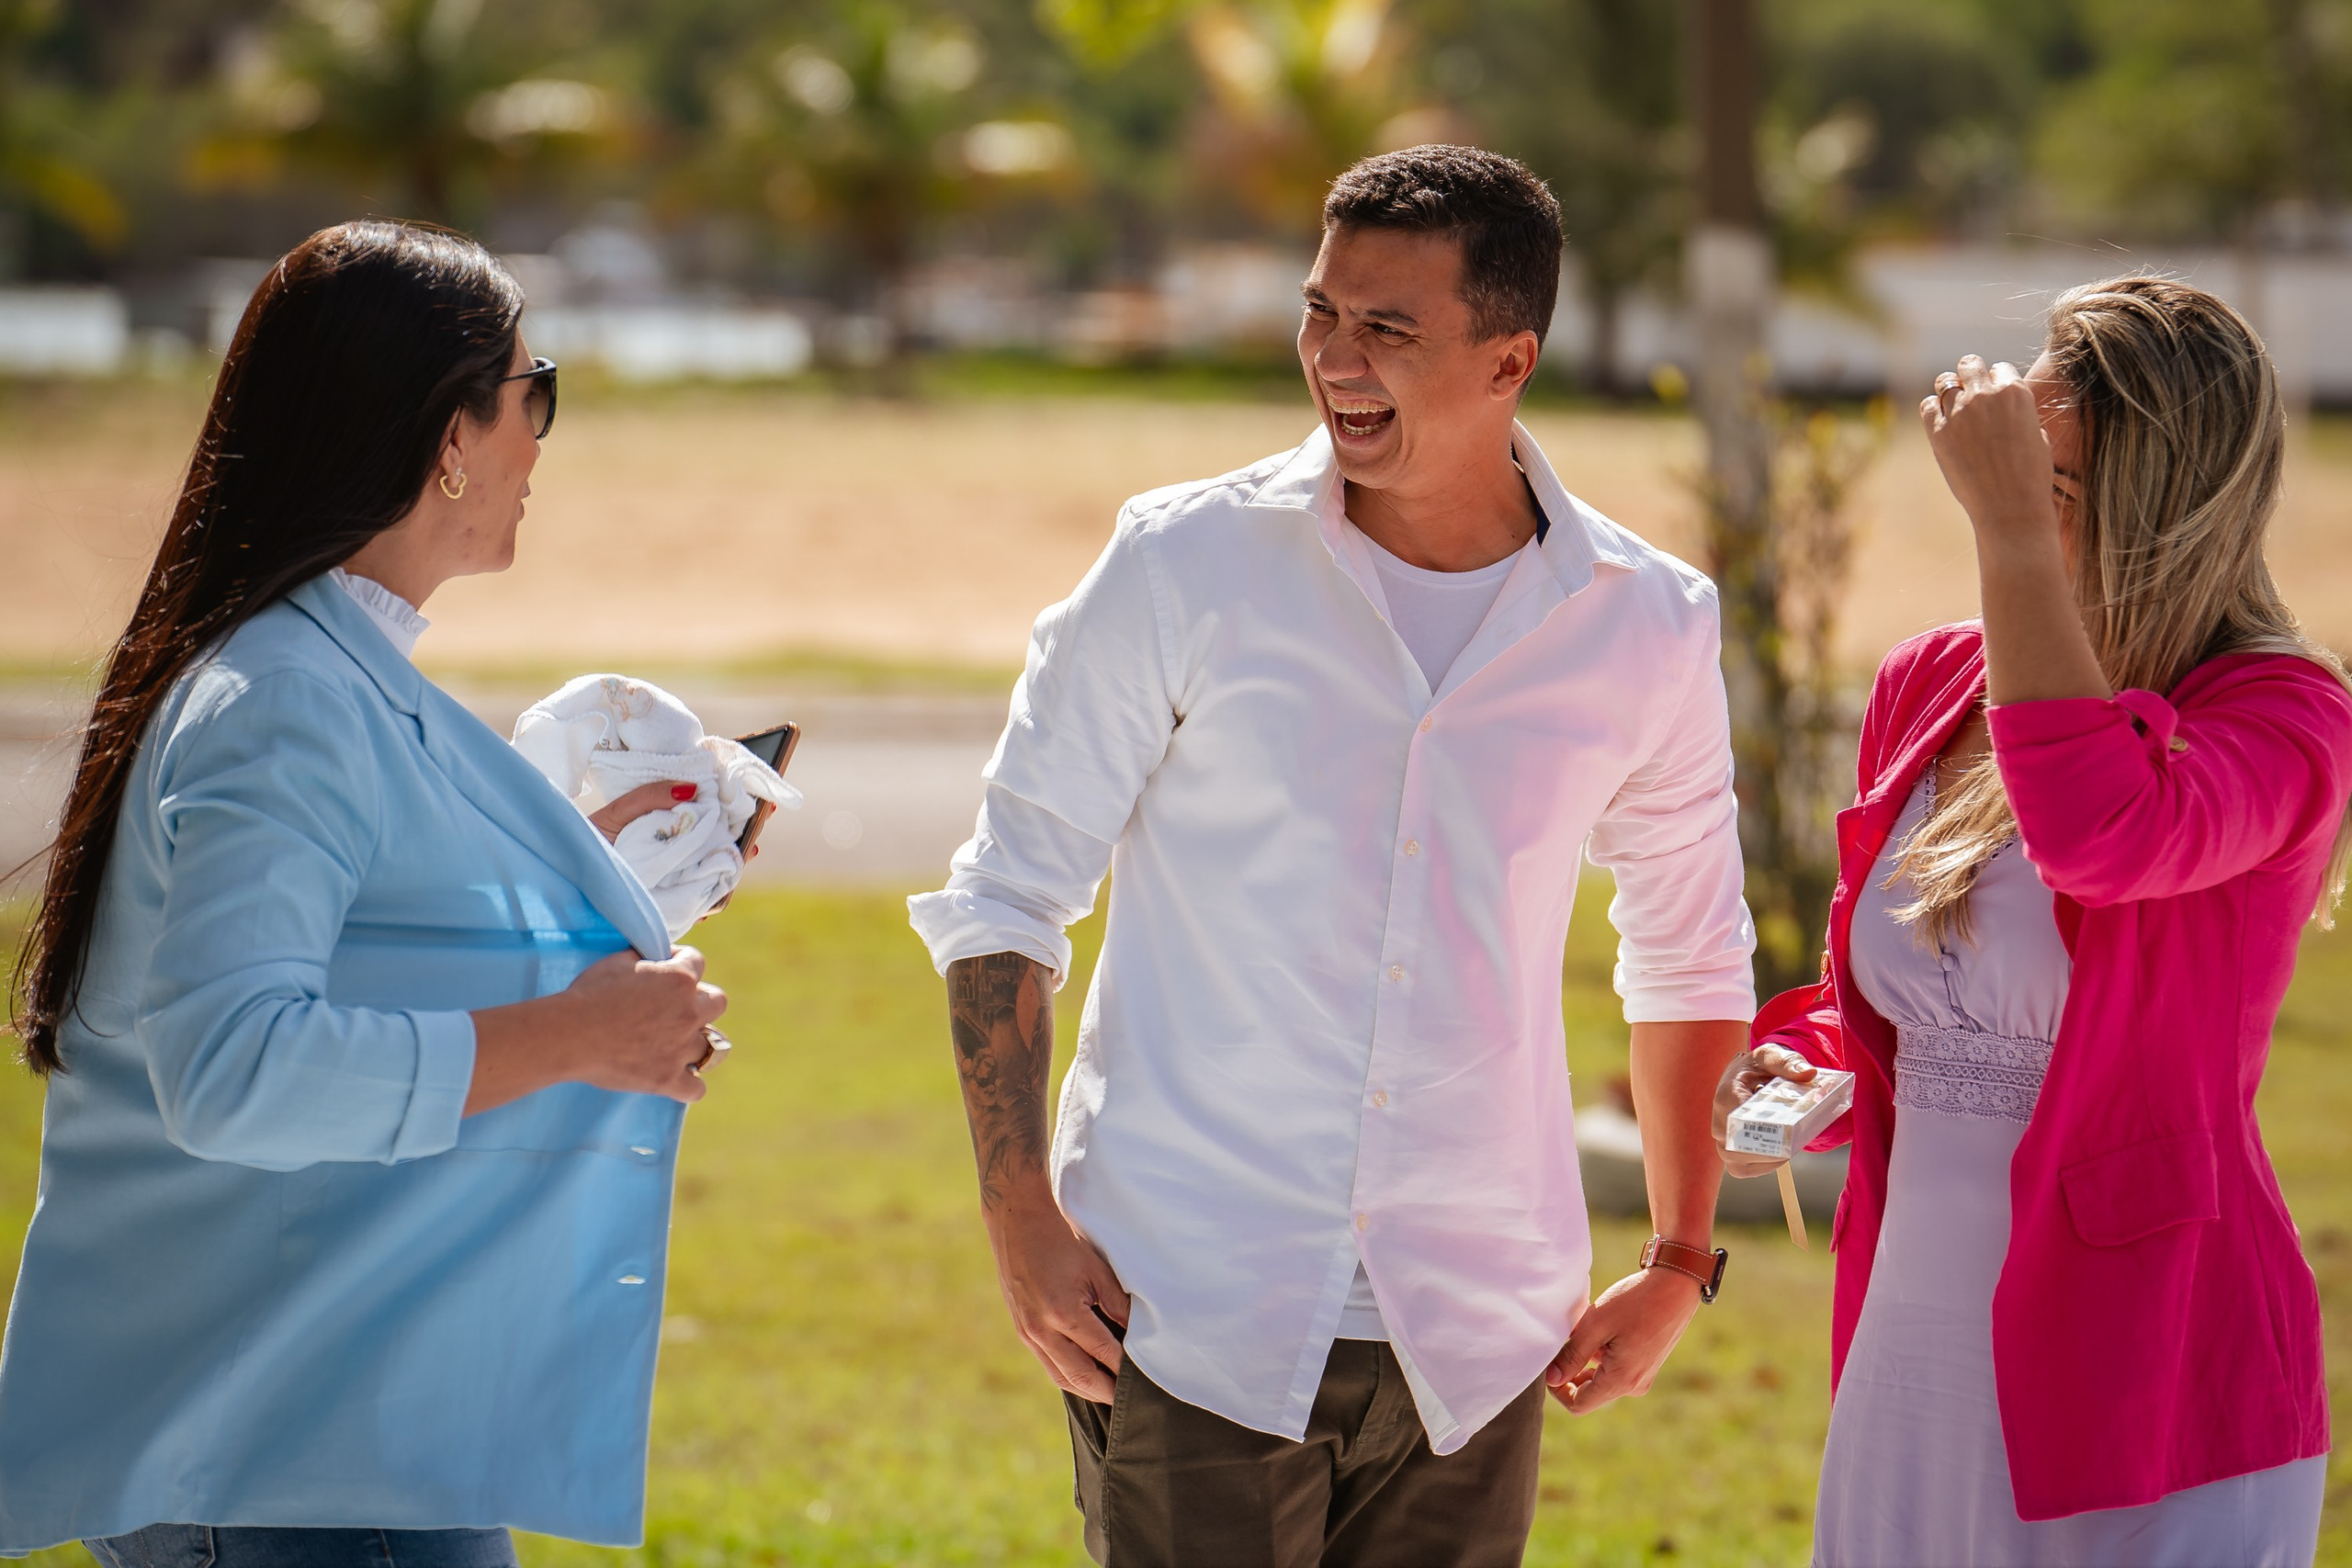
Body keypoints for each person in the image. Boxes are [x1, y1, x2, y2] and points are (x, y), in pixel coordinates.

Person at [910, 145, 1757, 1567]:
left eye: (1389, 329)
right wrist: (1017, 1215)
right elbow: (1009, 890)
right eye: (1321, 313)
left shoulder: (1645, 621)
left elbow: (1689, 950)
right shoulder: (1182, 564)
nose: (1334, 361)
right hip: (1190, 1308)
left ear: (1510, 360)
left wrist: (1680, 1258)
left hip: (1478, 1332)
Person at [0, 222, 731, 1566]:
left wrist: (559, 878)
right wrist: (581, 1032)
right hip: (300, 1467)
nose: (539, 441)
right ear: (445, 435)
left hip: (311, 1440)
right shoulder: (285, 700)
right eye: (535, 393)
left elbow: (353, 942)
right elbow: (236, 1068)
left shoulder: (301, 673)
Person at [1718, 276, 2347, 1566]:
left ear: (2166, 502)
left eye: (2059, 487)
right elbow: (1917, 984)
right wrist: (1822, 1063)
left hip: (2157, 1355)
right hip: (1913, 1336)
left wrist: (2008, 534)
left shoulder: (2288, 717)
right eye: (2022, 479)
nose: (2016, 514)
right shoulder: (1932, 680)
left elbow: (2104, 838)